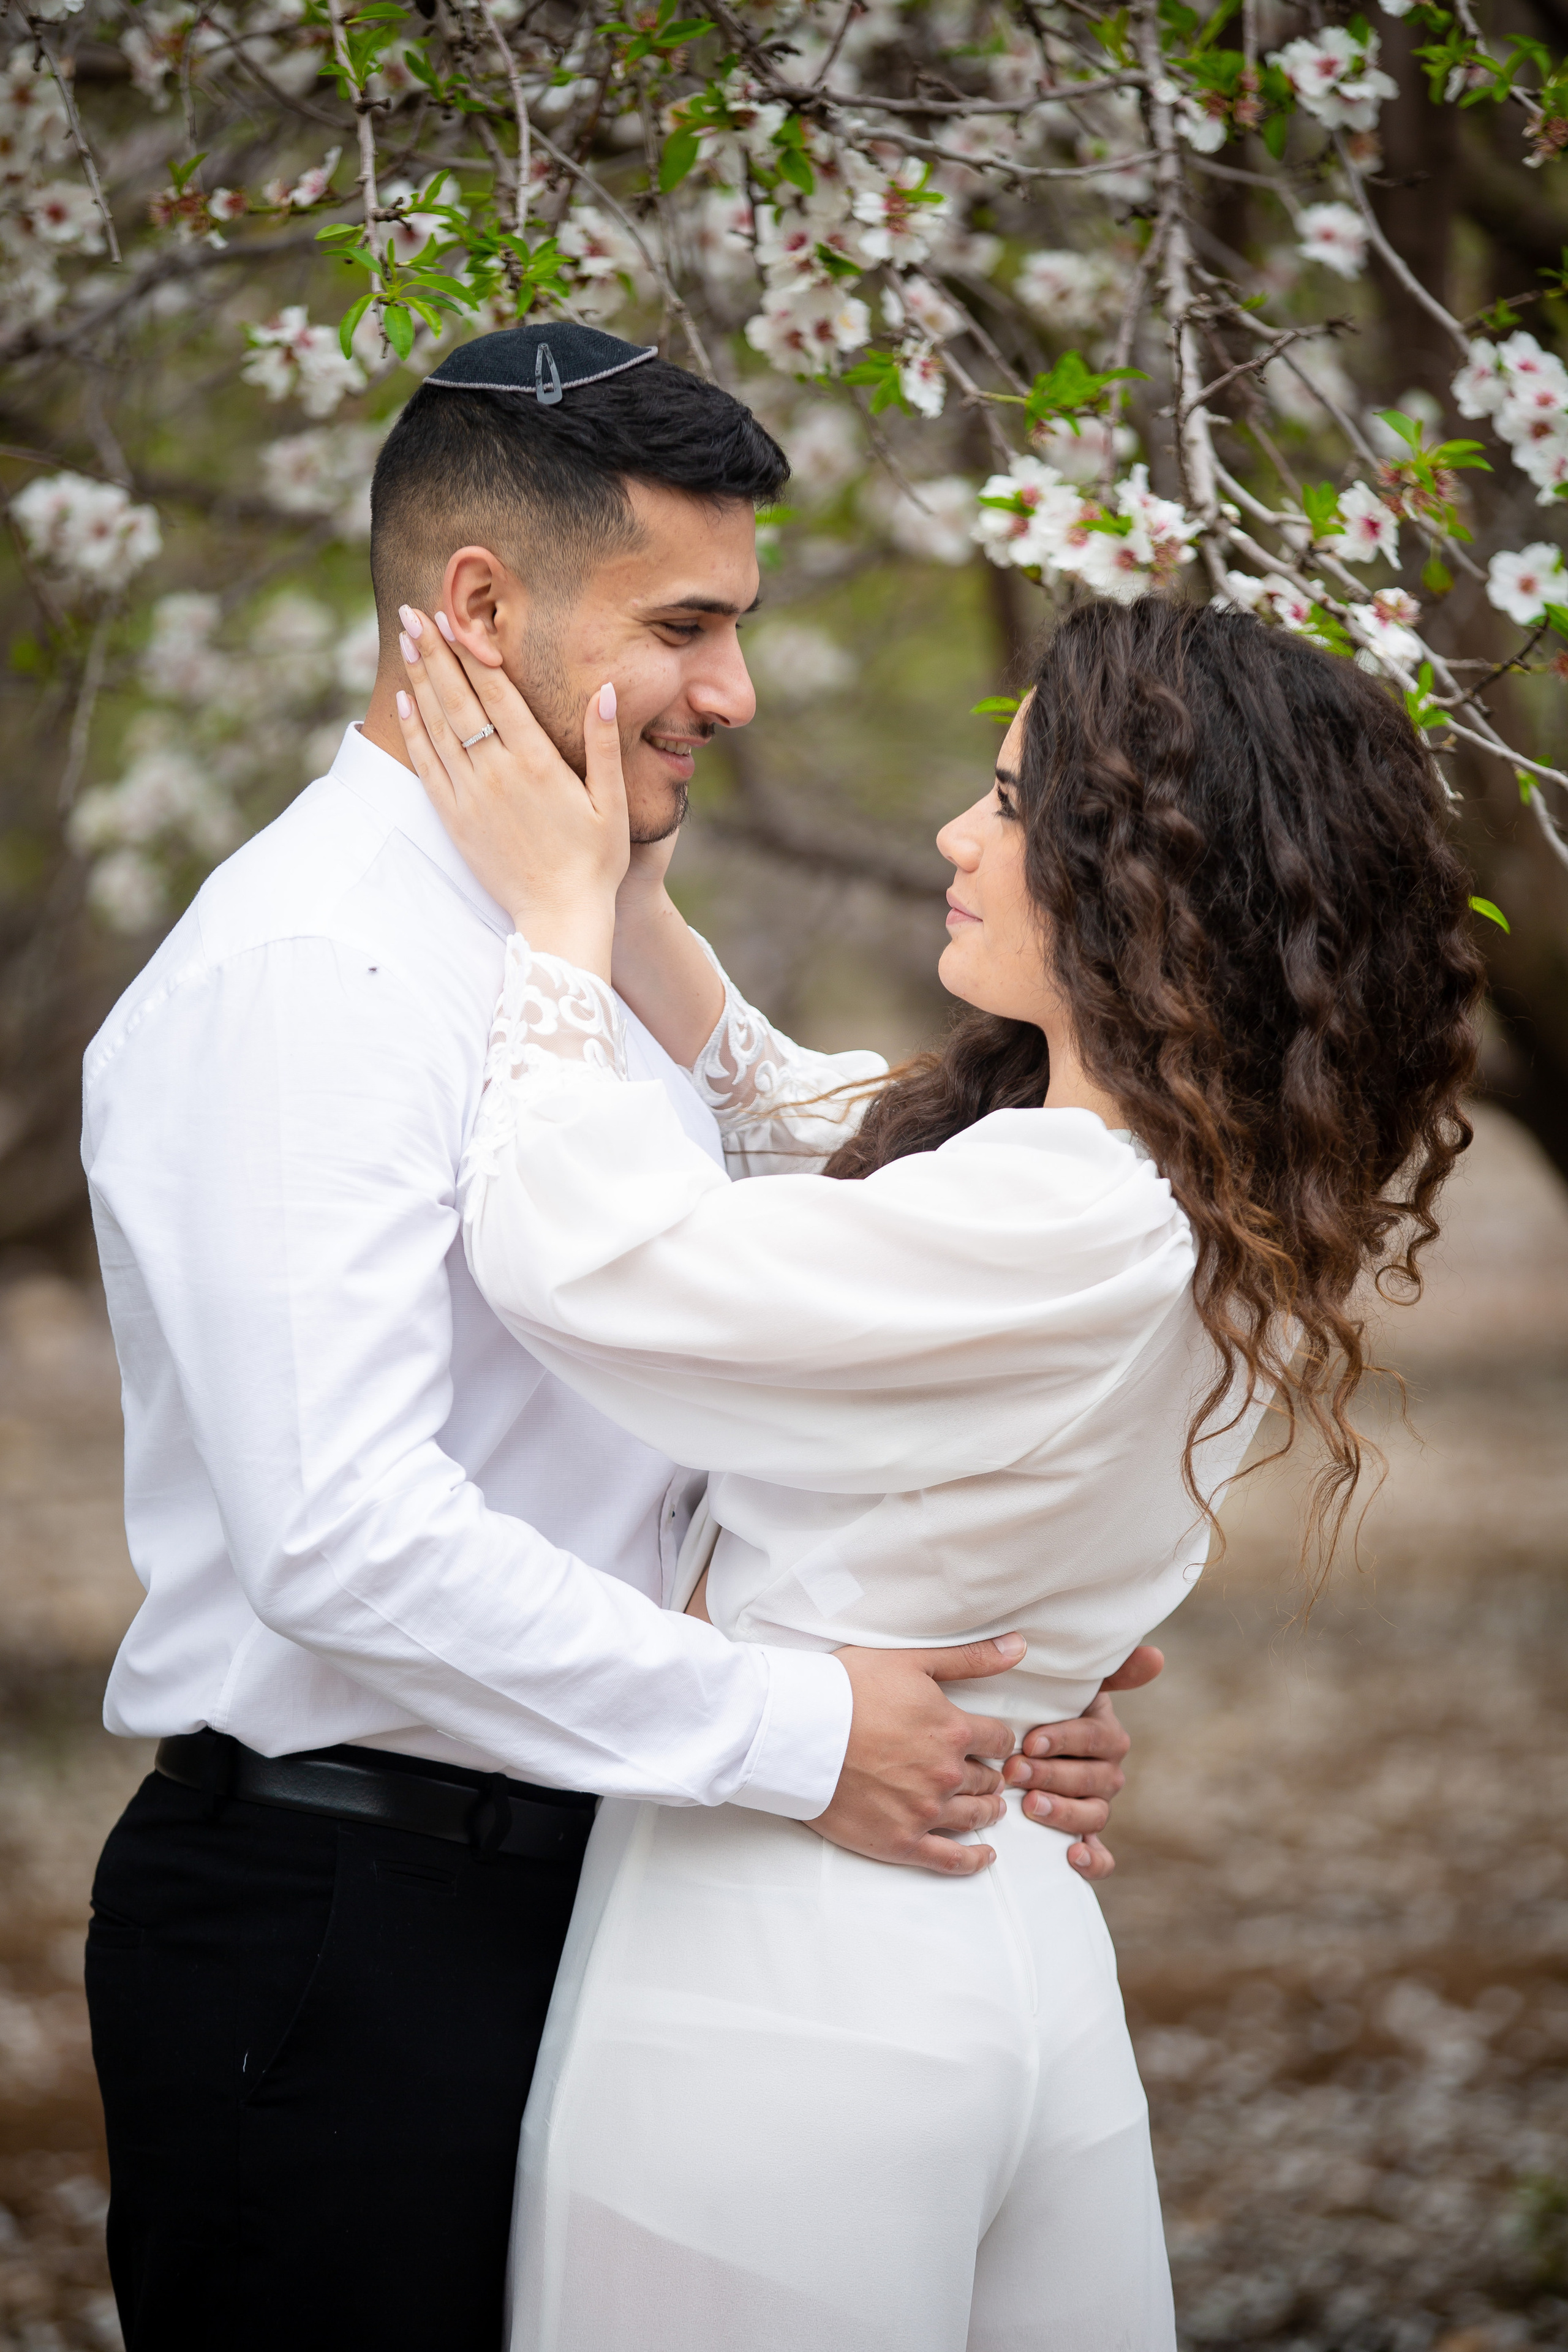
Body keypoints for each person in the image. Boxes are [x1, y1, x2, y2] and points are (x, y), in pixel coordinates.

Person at [79, 324, 1142, 2352]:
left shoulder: (552, 939)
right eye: (687, 625)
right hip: (351, 1925)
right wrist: (813, 1738)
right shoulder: (317, 969)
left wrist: (1008, 1653)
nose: (733, 694)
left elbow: (748, 1338)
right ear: (479, 605)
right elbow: (344, 1534)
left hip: (610, 1874)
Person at [390, 587, 1484, 2350]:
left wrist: (550, 923)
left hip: (788, 1976)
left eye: (1009, 803)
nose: (954, 834)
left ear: (1140, 878)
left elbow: (575, 1257)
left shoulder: (1059, 1208)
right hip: (1009, 1944)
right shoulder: (1168, 1190)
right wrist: (630, 871)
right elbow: (785, 1104)